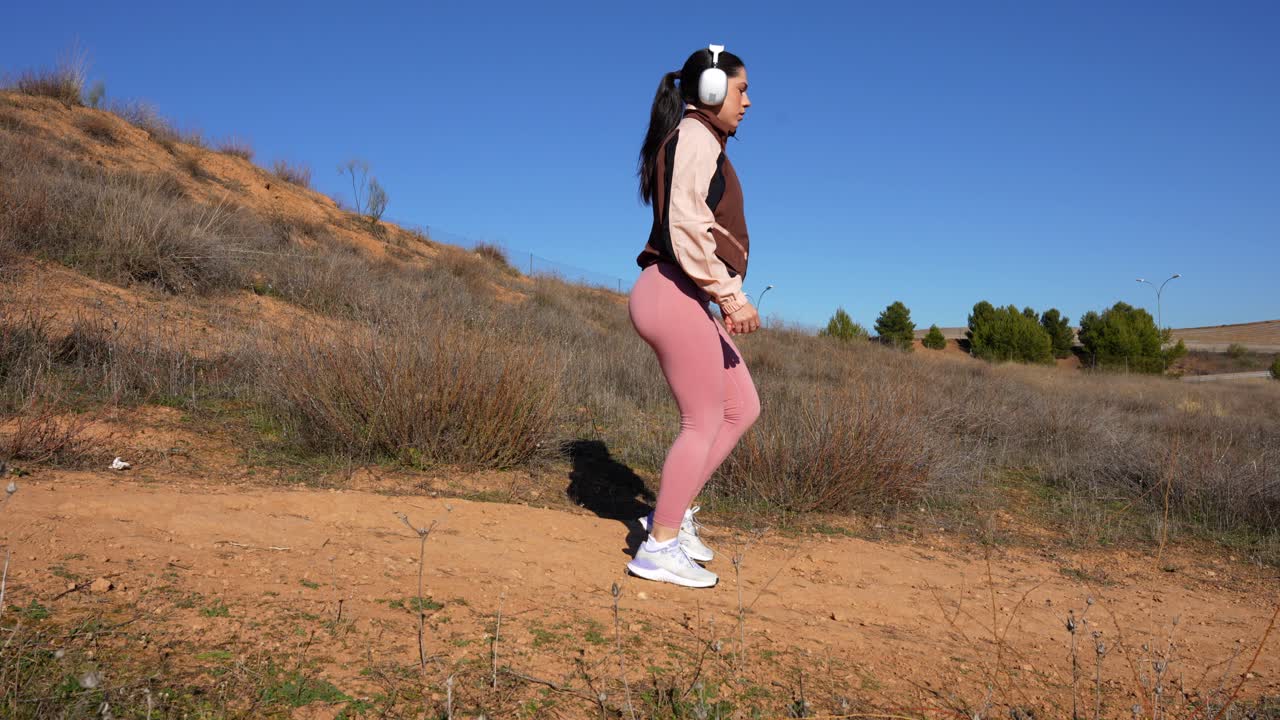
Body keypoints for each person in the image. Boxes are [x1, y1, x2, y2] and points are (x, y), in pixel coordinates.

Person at [626, 44, 762, 588]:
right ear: (710, 91)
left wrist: (718, 298)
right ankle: (658, 546)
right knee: (702, 420)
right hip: (672, 291)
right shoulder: (697, 138)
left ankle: (673, 515)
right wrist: (730, 297)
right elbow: (686, 225)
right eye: (741, 89)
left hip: (686, 294)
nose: (748, 101)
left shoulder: (705, 141)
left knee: (741, 407)